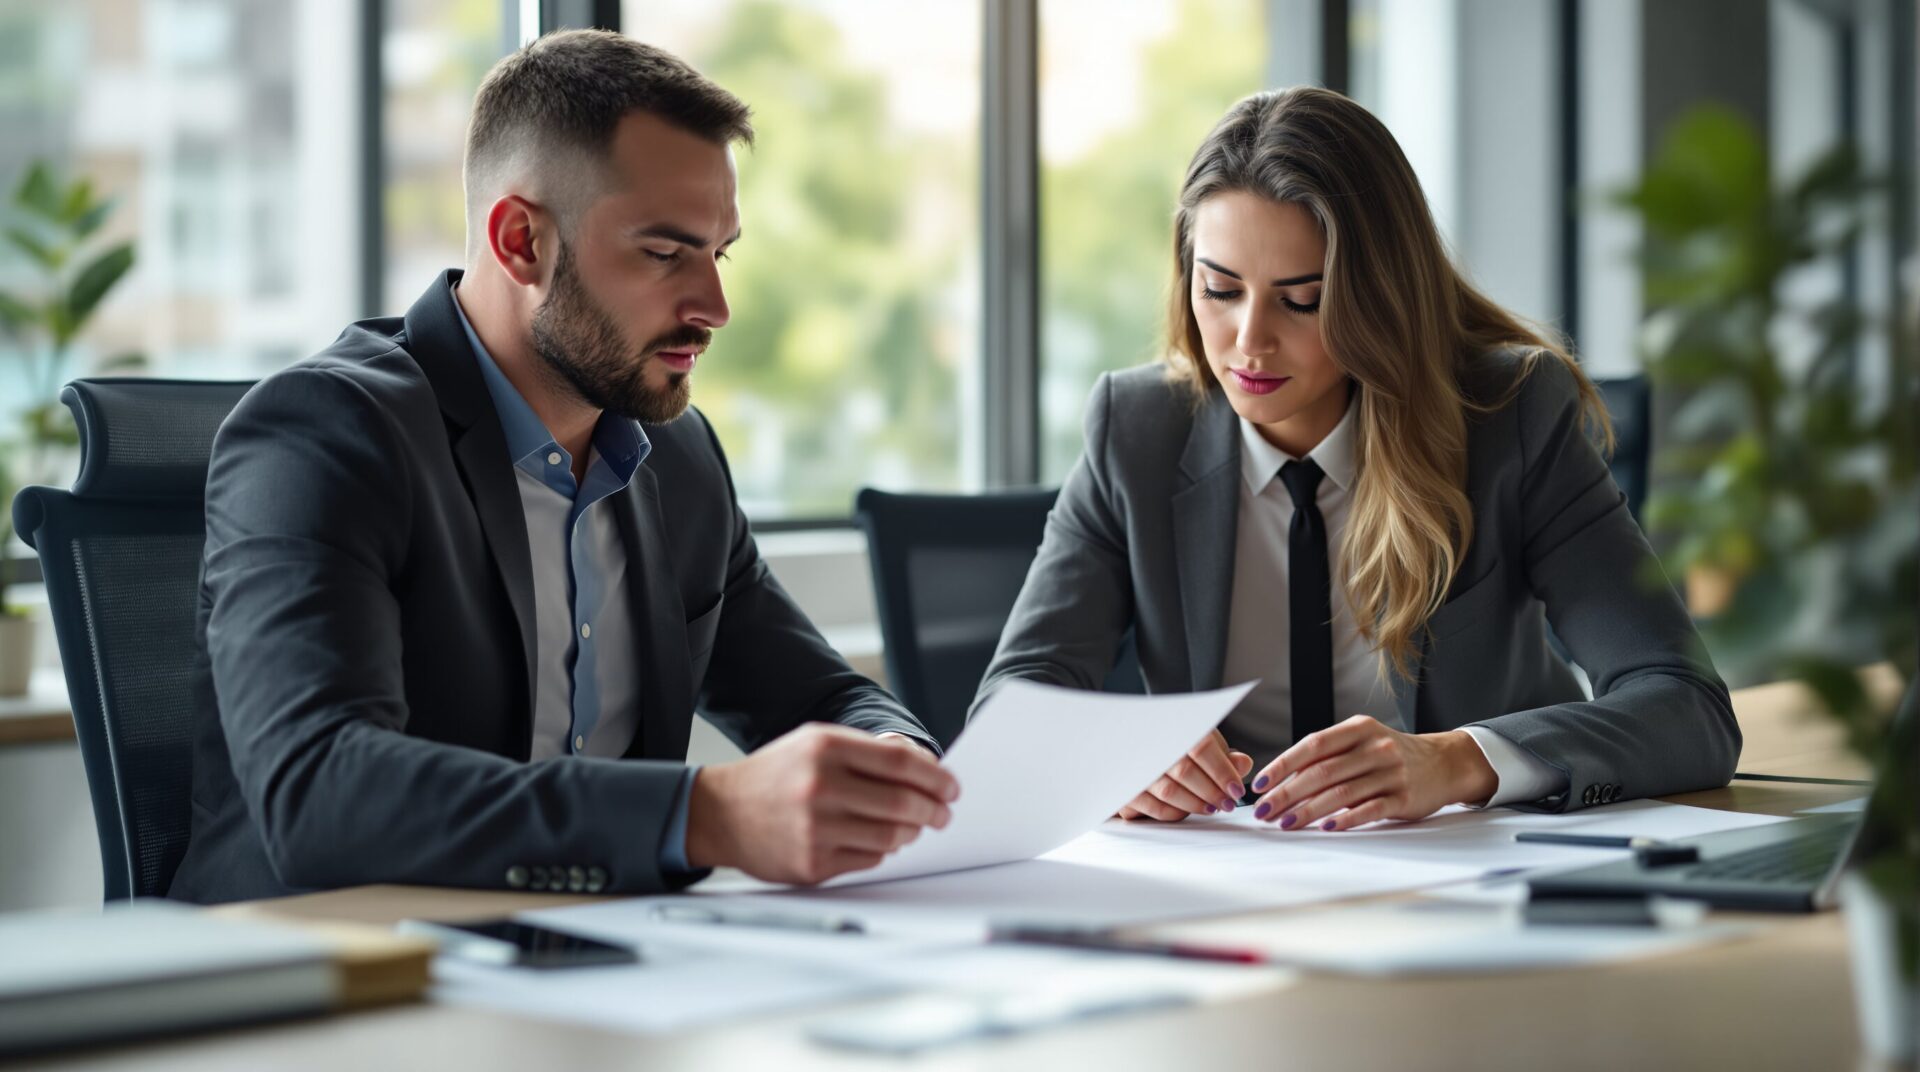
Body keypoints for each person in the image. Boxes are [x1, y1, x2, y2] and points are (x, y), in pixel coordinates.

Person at [168, 30, 956, 904]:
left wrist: (896, 768)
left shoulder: (678, 458)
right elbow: (320, 795)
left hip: (596, 973)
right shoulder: (324, 434)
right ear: (520, 242)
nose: (715, 307)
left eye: (718, 253)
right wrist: (703, 814)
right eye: (665, 254)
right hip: (320, 986)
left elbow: (826, 697)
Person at [974, 87, 1740, 832]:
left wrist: (1454, 762)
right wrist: (1115, 755)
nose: (1249, 340)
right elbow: (1012, 706)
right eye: (1220, 289)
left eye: (1300, 300)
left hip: (1465, 873)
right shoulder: (1136, 431)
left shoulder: (1510, 417)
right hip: (1228, 885)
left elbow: (1685, 706)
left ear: (1379, 295)